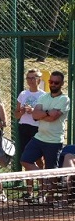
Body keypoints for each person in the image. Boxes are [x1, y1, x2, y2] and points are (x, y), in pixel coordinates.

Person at [20, 71, 69, 205]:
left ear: (62, 84)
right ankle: (45, 181)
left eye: (56, 82)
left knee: (51, 171)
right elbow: (35, 115)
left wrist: (43, 114)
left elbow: (54, 118)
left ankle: (50, 199)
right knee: (25, 160)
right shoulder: (44, 97)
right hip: (39, 137)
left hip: (54, 141)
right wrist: (47, 113)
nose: (53, 84)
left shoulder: (64, 99)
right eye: (51, 82)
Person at [15, 68, 46, 200]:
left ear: (39, 79)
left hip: (37, 129)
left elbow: (45, 115)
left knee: (39, 160)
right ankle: (29, 192)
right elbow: (16, 115)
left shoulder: (44, 96)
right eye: (28, 78)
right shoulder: (23, 94)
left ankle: (42, 189)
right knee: (26, 159)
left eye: (33, 78)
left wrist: (33, 110)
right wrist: (22, 111)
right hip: (24, 128)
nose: (31, 80)